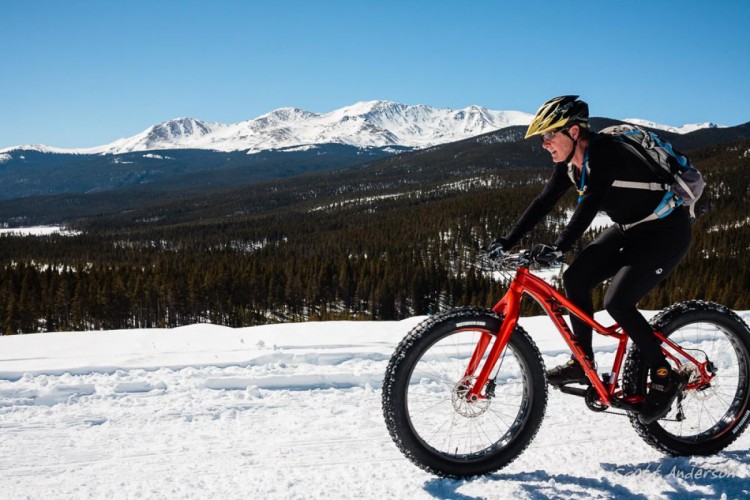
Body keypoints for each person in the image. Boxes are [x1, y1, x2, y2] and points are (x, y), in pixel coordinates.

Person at [487, 95, 692, 424]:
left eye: (548, 136)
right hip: (629, 229)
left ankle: (666, 377)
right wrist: (505, 240)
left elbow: (590, 202)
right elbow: (543, 202)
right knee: (575, 279)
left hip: (666, 232)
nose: (544, 145)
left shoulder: (605, 152)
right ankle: (583, 364)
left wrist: (559, 246)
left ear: (571, 132)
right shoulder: (569, 164)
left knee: (618, 302)